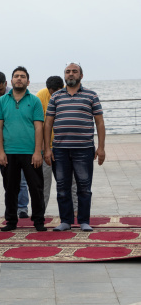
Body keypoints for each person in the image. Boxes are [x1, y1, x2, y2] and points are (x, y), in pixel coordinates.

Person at [44, 62, 106, 232]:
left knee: (84, 187)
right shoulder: (56, 97)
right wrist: (47, 149)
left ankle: (84, 221)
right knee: (62, 187)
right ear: (64, 76)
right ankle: (65, 221)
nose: (71, 74)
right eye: (67, 72)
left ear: (81, 75)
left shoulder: (91, 96)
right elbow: (48, 123)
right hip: (60, 150)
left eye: (74, 71)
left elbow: (99, 122)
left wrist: (101, 148)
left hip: (84, 149)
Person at [0, 66, 47, 232]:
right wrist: (1, 152)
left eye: (22, 76)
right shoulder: (2, 101)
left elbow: (39, 127)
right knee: (10, 189)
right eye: (16, 76)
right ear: (11, 81)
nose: (19, 79)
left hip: (31, 153)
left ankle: (39, 220)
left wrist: (38, 152)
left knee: (36, 188)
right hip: (9, 152)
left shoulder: (35, 101)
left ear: (28, 81)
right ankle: (11, 221)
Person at [0, 72, 29, 231]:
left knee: (17, 180)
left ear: (6, 83)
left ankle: (21, 207)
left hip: (11, 145)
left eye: (0, 90)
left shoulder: (14, 94)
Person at [35, 75, 66, 208]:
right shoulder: (41, 95)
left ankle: (72, 211)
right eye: (52, 93)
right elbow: (38, 123)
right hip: (45, 147)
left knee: (66, 182)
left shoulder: (67, 94)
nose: (55, 96)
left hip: (64, 147)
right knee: (43, 182)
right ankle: (41, 210)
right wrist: (43, 147)